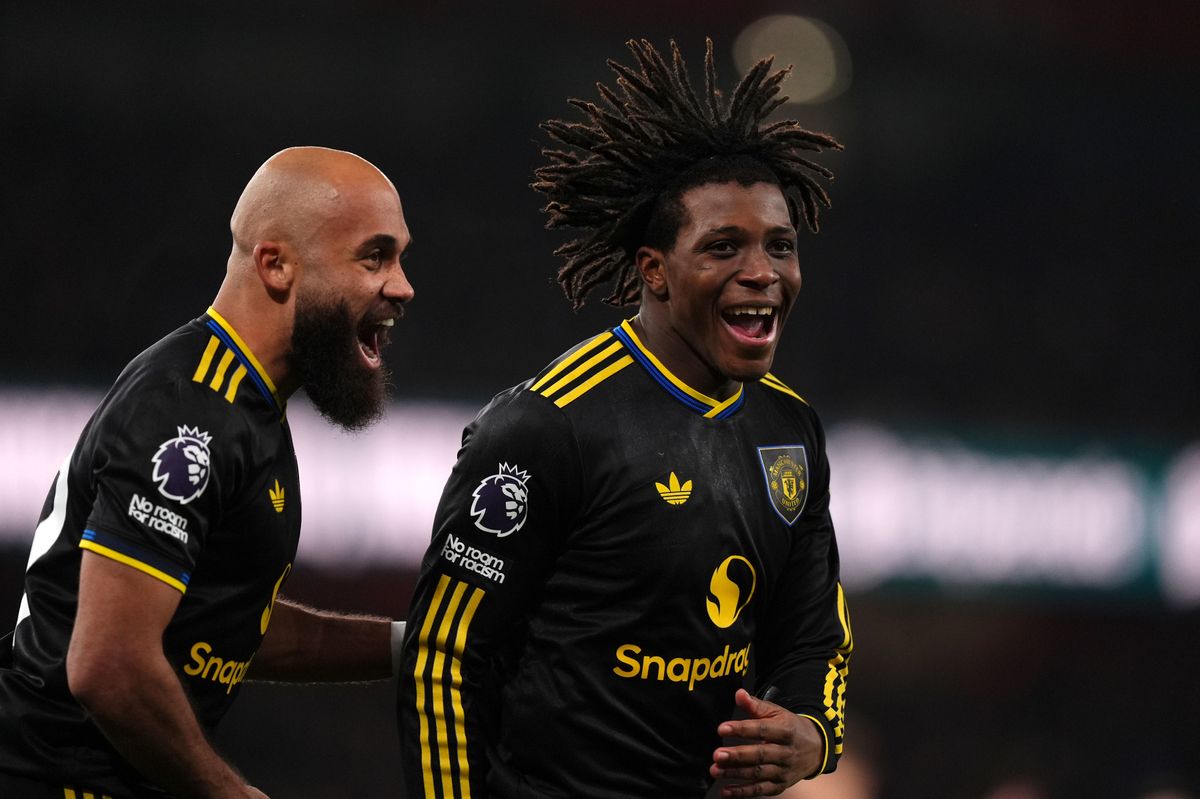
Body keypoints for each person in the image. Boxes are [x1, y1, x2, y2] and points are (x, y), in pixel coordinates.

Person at [397, 39, 854, 798]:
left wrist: (812, 731)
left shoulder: (790, 431)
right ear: (654, 271)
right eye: (724, 247)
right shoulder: (549, 425)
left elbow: (813, 635)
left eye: (780, 245)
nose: (762, 273)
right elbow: (443, 658)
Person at [0, 146, 414, 798]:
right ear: (276, 265)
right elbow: (108, 665)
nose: (402, 285)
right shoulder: (191, 411)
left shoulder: (248, 410)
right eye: (375, 256)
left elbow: (229, 624)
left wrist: (416, 646)